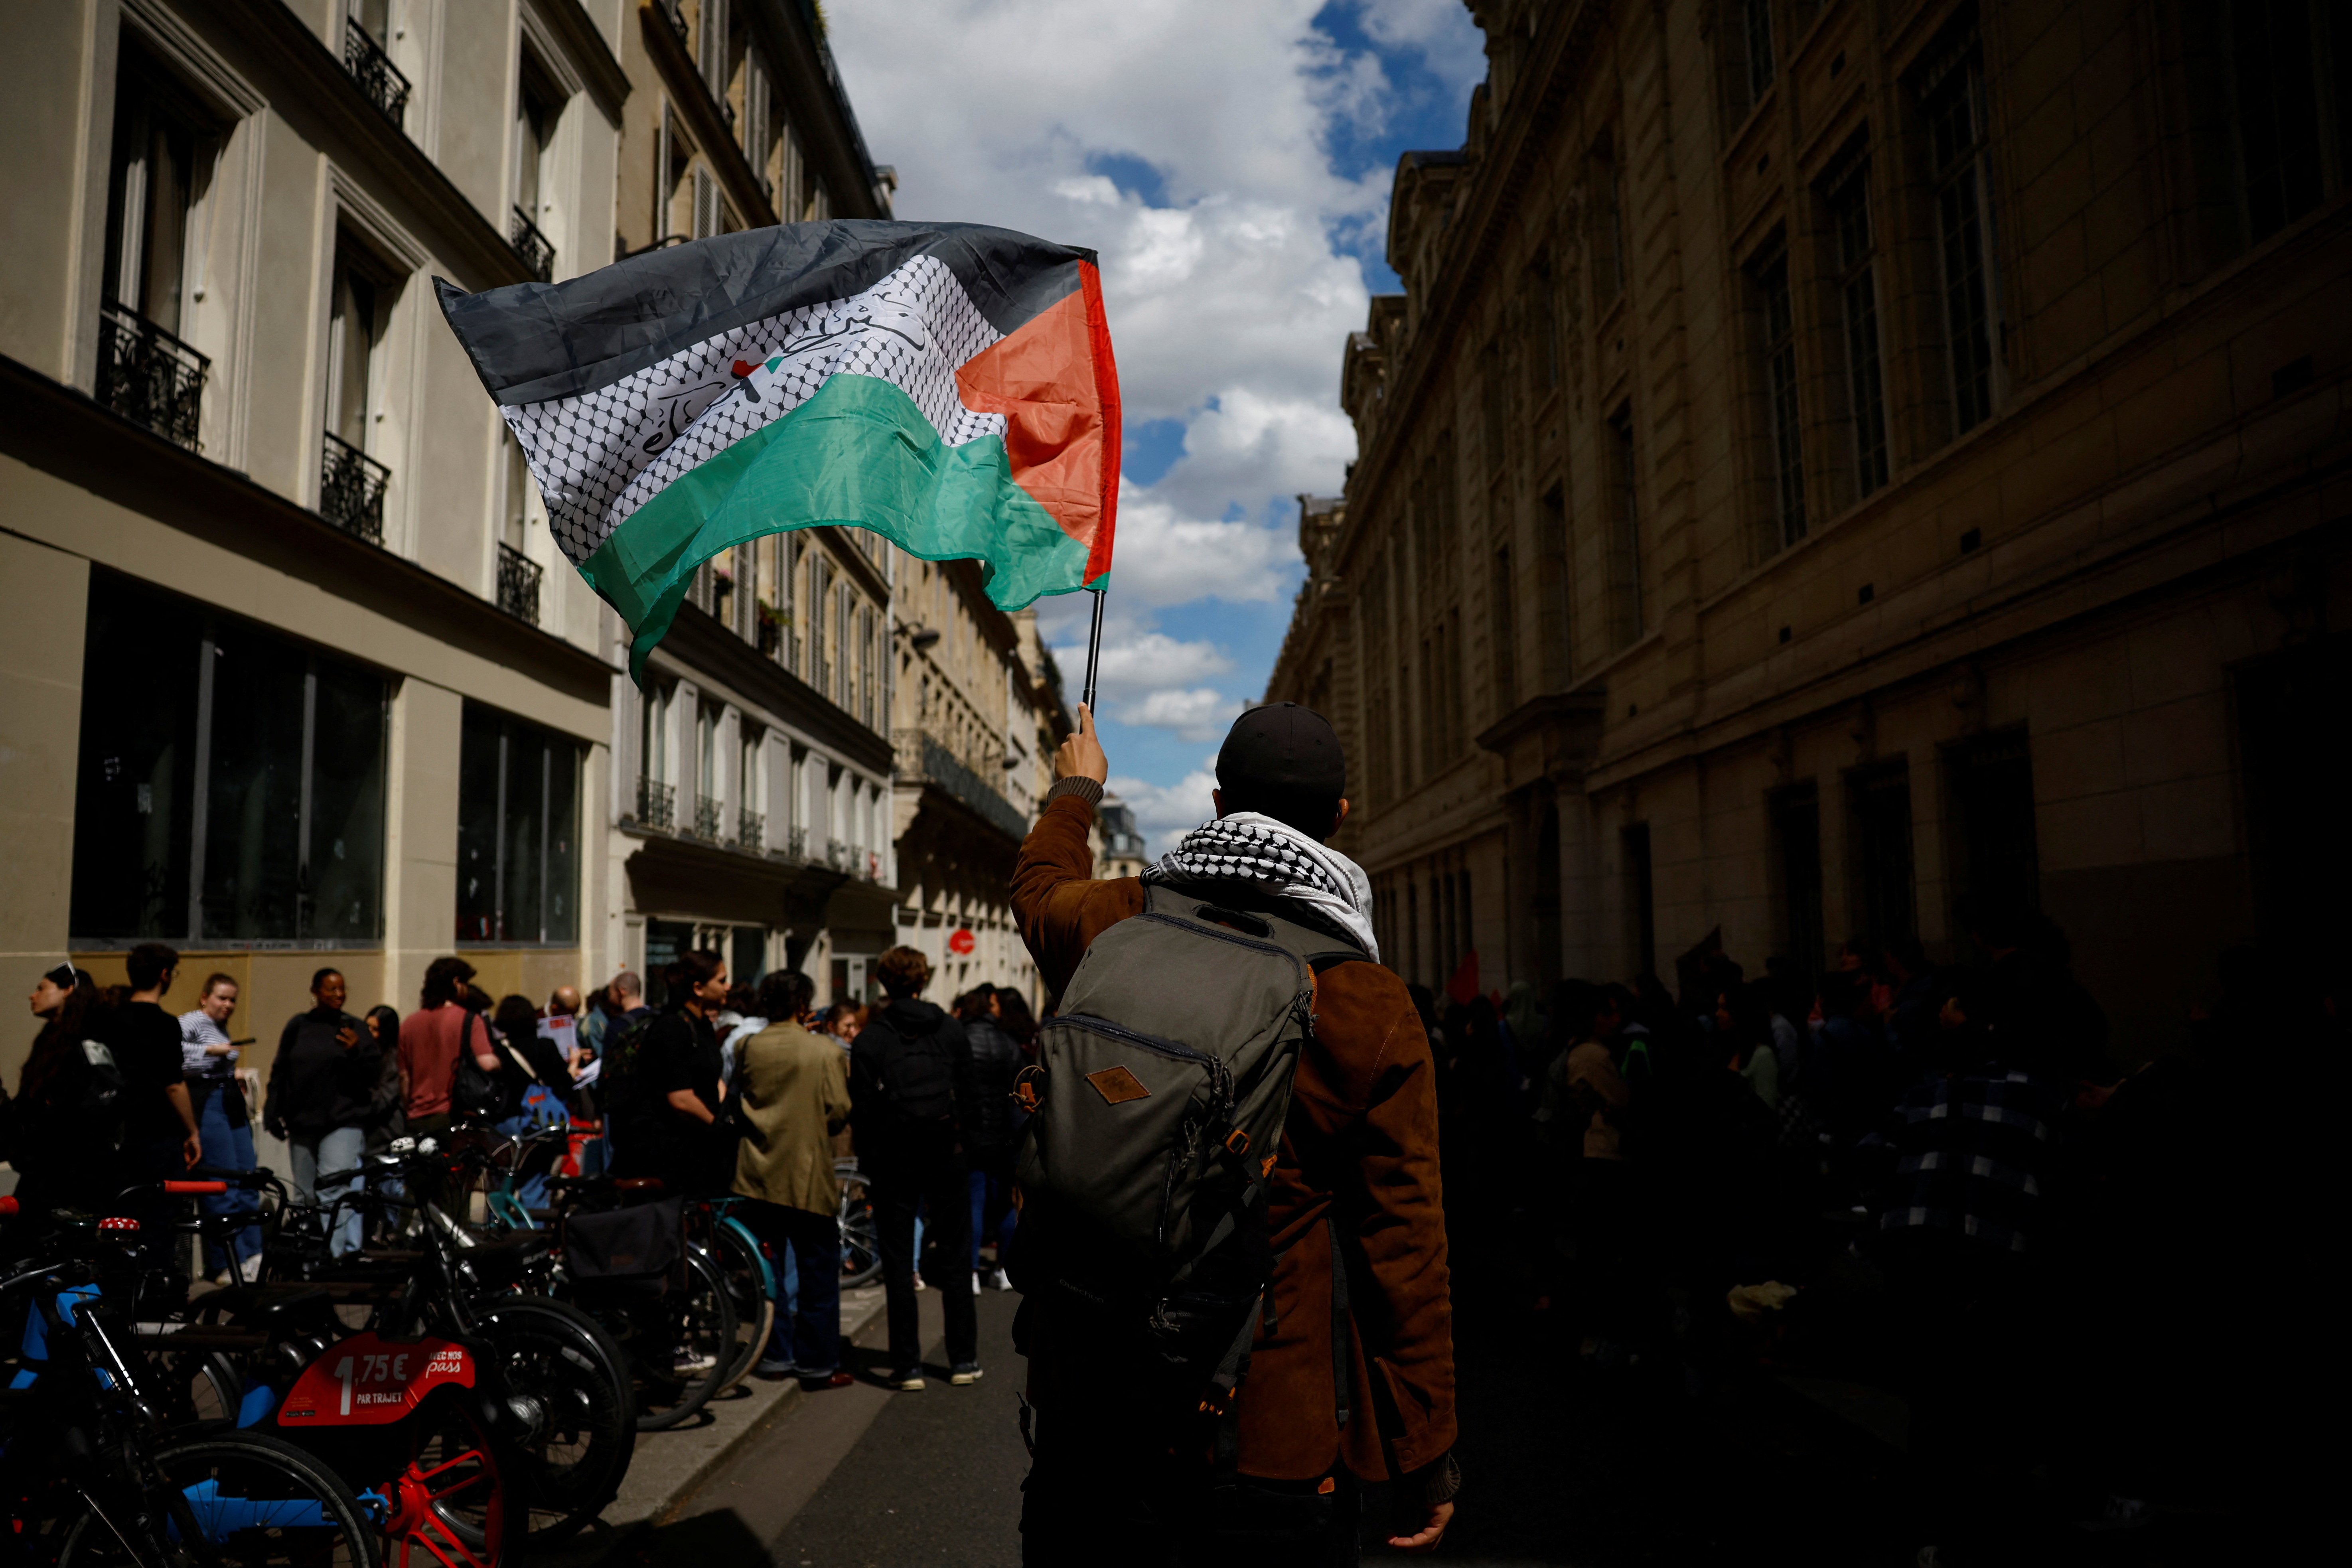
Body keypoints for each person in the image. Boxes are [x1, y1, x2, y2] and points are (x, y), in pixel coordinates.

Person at [1010, 702, 1458, 1562]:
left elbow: (1035, 889)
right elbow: (1402, 1249)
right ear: (1338, 820)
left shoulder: (1114, 921)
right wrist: (1421, 1450)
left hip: (1088, 1403)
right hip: (1264, 1434)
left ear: (1218, 805)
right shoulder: (1367, 1000)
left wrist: (1075, 789)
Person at [850, 945, 979, 1390]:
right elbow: (971, 1094)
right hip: (946, 1151)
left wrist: (869, 1165)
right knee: (957, 1257)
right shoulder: (949, 1029)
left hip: (893, 1158)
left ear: (884, 983)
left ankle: (907, 1366)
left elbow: (862, 1112)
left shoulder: (871, 1038)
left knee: (899, 1263)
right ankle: (963, 1358)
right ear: (922, 980)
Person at [730, 967, 857, 1390]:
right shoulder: (823, 1050)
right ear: (804, 1006)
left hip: (756, 1172)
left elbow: (736, 1098)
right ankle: (818, 1363)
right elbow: (839, 1110)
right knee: (818, 1273)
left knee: (767, 1272)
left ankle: (776, 1354)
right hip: (806, 1173)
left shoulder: (748, 1045)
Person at [265, 968, 379, 1258]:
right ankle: (308, 1251)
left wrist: (356, 1052)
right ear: (315, 991)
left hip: (343, 1120)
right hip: (303, 1120)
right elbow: (280, 1070)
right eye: (331, 989)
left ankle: (332, 1255)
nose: (339, 994)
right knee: (305, 1193)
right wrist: (272, 1109)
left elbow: (373, 1074)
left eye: (342, 989)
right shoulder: (298, 1026)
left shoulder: (356, 1029)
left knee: (333, 1188)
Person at [0, 962, 122, 1213]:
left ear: (68, 989)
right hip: (45, 1168)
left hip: (75, 1173)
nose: (32, 996)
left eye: (41, 988)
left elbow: (100, 1104)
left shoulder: (90, 1040)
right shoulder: (50, 1040)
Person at [609, 951, 731, 1193]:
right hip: (668, 1153)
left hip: (697, 1145)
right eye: (722, 980)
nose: (728, 987)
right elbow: (681, 1099)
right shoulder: (672, 1027)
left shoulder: (702, 1026)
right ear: (698, 988)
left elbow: (712, 1078)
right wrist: (721, 1130)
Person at [400, 956, 501, 1213]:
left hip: (416, 1117)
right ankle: (453, 1246)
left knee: (417, 1189)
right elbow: (487, 1063)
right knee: (453, 1190)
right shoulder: (468, 1019)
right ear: (457, 983)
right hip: (452, 1118)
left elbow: (404, 1078)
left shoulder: (410, 1024)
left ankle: (405, 1241)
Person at [179, 973, 261, 1282]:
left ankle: (252, 1254)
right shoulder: (193, 1021)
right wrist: (210, 1053)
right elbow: (172, 1052)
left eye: (232, 999)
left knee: (247, 1177)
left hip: (228, 1098)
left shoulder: (218, 1025)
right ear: (204, 997)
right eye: (221, 997)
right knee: (222, 1181)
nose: (228, 1004)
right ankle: (226, 1261)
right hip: (206, 1099)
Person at [108, 943, 203, 1186]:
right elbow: (174, 1084)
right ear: (164, 974)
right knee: (158, 1210)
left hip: (117, 1128)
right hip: (155, 1130)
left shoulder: (110, 1019)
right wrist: (192, 1131)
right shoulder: (165, 1024)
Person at [962, 985, 1023, 1292]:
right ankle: (1002, 1268)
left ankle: (971, 1271)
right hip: (1003, 1136)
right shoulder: (1007, 1043)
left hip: (971, 1135)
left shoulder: (959, 1042)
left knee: (973, 1203)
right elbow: (1017, 1095)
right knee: (1004, 1206)